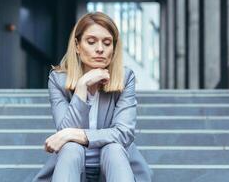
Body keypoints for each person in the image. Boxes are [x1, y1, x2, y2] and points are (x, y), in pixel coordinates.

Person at [32, 12, 152, 182]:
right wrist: (82, 87)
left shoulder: (125, 78)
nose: (100, 49)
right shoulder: (58, 80)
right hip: (73, 166)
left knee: (114, 149)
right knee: (71, 148)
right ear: (77, 46)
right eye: (91, 41)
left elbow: (124, 133)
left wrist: (77, 135)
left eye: (107, 43)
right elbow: (65, 131)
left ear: (114, 48)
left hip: (114, 167)